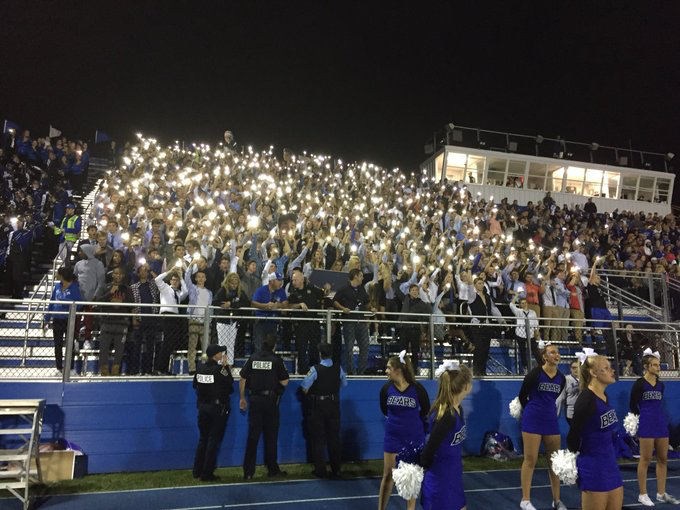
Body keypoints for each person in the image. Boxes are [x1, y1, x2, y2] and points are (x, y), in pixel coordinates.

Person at [567, 350, 623, 510]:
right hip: (593, 467)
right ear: (593, 372)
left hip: (611, 464)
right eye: (606, 367)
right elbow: (572, 437)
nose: (612, 370)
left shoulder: (604, 396)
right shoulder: (585, 400)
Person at [517, 341, 567, 510]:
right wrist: (532, 410)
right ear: (545, 356)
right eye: (552, 352)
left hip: (551, 420)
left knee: (554, 461)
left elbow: (555, 397)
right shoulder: (534, 374)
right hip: (532, 419)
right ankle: (525, 500)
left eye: (557, 352)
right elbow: (523, 396)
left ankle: (557, 500)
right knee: (530, 460)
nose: (556, 355)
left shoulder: (561, 378)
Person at [378, 352, 430, 510]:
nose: (386, 371)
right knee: (388, 475)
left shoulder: (417, 389)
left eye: (388, 368)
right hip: (393, 437)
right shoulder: (386, 389)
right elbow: (384, 410)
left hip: (413, 438)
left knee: (411, 477)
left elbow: (425, 409)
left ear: (398, 370)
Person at [420, 360, 473, 510]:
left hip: (453, 478)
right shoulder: (446, 416)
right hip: (440, 482)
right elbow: (427, 454)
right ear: (466, 386)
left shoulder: (458, 410)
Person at [630, 349, 679, 506]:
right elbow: (632, 405)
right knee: (645, 459)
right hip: (646, 424)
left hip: (660, 423)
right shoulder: (639, 384)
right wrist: (642, 418)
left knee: (663, 459)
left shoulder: (661, 385)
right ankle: (643, 494)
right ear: (647, 366)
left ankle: (661, 493)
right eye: (655, 365)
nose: (659, 368)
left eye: (659, 365)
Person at [239, 335, 290, 479]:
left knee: (252, 437)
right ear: (274, 346)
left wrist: (242, 398)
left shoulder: (253, 358)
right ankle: (272, 469)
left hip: (254, 399)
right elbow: (285, 382)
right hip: (270, 401)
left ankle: (248, 472)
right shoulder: (276, 360)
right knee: (271, 436)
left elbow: (242, 378)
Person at [300, 342, 347, 478]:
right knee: (334, 438)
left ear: (320, 354)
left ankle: (320, 469)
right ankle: (336, 468)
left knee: (318, 439)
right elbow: (344, 383)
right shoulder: (339, 368)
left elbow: (304, 387)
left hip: (318, 406)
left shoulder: (315, 369)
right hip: (333, 405)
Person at [192, 344, 234, 482]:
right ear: (215, 355)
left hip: (203, 407)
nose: (222, 354)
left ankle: (197, 470)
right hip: (216, 408)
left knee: (203, 439)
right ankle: (207, 473)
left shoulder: (200, 367)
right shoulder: (219, 369)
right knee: (213, 441)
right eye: (220, 352)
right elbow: (230, 384)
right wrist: (226, 367)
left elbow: (195, 385)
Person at [334, 268, 373, 375]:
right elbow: (335, 301)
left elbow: (367, 302)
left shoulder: (361, 289)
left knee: (365, 348)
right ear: (355, 276)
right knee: (349, 348)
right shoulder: (343, 289)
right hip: (349, 321)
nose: (363, 278)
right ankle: (352, 372)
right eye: (361, 276)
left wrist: (371, 308)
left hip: (361, 320)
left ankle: (361, 372)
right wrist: (343, 308)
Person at [287, 267, 325, 374]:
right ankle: (302, 371)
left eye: (295, 280)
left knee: (315, 347)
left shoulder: (311, 288)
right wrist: (299, 304)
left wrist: (326, 289)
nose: (293, 282)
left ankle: (315, 369)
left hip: (314, 323)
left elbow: (323, 294)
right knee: (301, 348)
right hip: (301, 324)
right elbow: (289, 306)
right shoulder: (293, 293)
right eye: (292, 280)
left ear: (302, 279)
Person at [45, 267, 82, 374]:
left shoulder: (74, 287)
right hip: (57, 319)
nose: (55, 275)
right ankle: (59, 368)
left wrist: (67, 302)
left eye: (57, 273)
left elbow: (79, 304)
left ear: (62, 275)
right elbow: (52, 301)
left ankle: (70, 368)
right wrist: (47, 317)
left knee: (70, 344)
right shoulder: (57, 286)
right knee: (57, 344)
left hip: (69, 320)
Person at [96, 267, 132, 375]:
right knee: (103, 348)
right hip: (106, 322)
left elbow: (132, 304)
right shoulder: (106, 287)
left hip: (121, 323)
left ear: (123, 276)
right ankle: (104, 371)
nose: (118, 276)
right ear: (112, 275)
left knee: (119, 350)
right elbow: (98, 302)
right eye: (116, 273)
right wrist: (110, 293)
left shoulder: (127, 289)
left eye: (120, 274)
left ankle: (116, 371)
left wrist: (120, 302)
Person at [154, 268, 188, 374]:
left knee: (170, 343)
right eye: (173, 280)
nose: (175, 282)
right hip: (167, 315)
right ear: (170, 281)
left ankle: (164, 368)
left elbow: (186, 291)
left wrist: (181, 277)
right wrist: (169, 271)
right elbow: (157, 279)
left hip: (175, 317)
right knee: (166, 343)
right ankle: (159, 368)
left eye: (176, 280)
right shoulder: (165, 288)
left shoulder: (178, 293)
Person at [213, 272, 250, 366]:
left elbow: (246, 303)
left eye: (236, 283)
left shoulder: (240, 292)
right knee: (222, 344)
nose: (234, 285)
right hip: (223, 320)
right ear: (228, 282)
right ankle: (221, 363)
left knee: (231, 344)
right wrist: (224, 305)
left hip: (233, 321)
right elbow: (215, 302)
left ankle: (230, 363)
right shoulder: (223, 290)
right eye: (232, 283)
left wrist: (232, 304)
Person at [129, 264, 160, 375]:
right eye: (142, 270)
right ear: (138, 273)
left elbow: (159, 280)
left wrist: (150, 269)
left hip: (151, 318)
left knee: (150, 346)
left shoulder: (152, 285)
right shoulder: (134, 287)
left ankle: (148, 369)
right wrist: (134, 318)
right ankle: (135, 370)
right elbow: (132, 304)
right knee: (137, 346)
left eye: (146, 270)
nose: (144, 272)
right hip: (139, 318)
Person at [185, 262, 214, 374]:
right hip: (194, 319)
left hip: (205, 321)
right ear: (196, 279)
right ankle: (192, 368)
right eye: (199, 277)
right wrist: (191, 265)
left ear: (205, 279)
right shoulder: (192, 288)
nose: (201, 279)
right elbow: (187, 277)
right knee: (192, 346)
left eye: (203, 277)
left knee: (206, 347)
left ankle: (205, 366)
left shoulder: (209, 292)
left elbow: (210, 306)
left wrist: (210, 319)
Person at [397, 283, 432, 372]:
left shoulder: (422, 303)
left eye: (416, 290)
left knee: (415, 351)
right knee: (402, 350)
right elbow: (397, 290)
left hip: (414, 329)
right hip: (404, 328)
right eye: (413, 290)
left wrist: (426, 296)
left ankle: (414, 370)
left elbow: (429, 312)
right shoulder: (405, 299)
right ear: (409, 292)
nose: (415, 292)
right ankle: (402, 369)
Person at [250, 272, 288, 352]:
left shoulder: (281, 291)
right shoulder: (261, 290)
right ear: (271, 281)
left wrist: (278, 305)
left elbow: (286, 304)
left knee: (271, 346)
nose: (280, 282)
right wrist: (265, 306)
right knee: (259, 346)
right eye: (278, 280)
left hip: (273, 322)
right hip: (261, 322)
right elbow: (253, 303)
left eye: (281, 280)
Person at [509, 292, 540, 374]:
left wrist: (536, 332)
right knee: (522, 351)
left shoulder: (532, 312)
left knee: (535, 350)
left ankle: (541, 366)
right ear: (519, 304)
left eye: (525, 303)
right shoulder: (518, 312)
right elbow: (511, 305)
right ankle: (525, 367)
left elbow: (535, 323)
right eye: (522, 303)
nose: (524, 304)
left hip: (530, 334)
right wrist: (516, 295)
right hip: (520, 334)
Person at [557, 360, 580, 425]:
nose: (576, 370)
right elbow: (561, 398)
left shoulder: (586, 379)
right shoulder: (566, 379)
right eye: (574, 367)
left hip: (585, 412)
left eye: (578, 367)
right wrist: (556, 416)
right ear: (570, 369)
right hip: (571, 413)